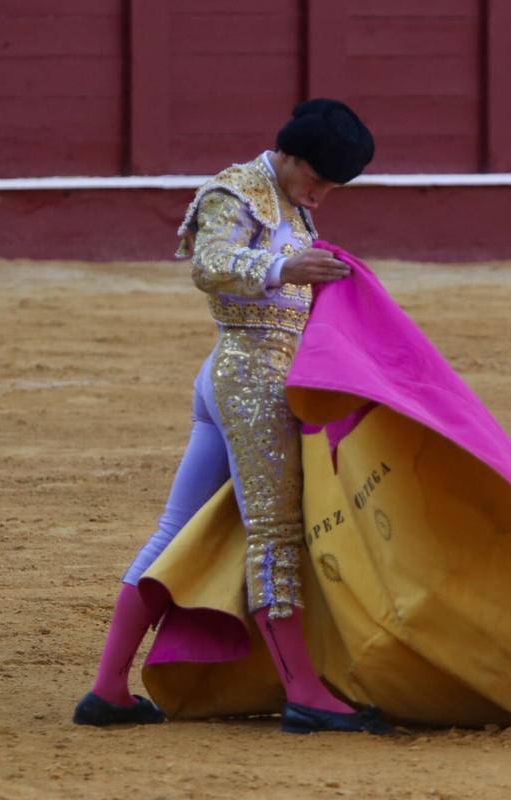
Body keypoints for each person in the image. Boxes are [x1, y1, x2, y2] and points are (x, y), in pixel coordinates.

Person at [72, 98, 390, 734]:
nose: (323, 195)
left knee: (175, 533)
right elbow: (209, 265)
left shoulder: (289, 200)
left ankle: (108, 690)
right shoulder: (237, 190)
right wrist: (283, 266)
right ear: (291, 155)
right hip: (250, 381)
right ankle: (304, 693)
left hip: (246, 376)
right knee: (275, 533)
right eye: (319, 179)